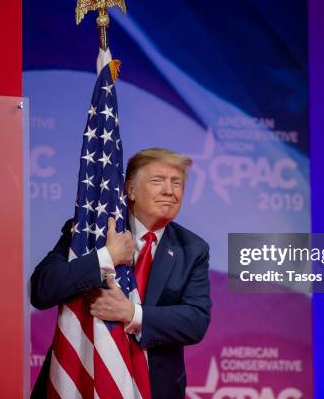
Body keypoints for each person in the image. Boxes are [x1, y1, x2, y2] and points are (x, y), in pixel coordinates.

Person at [30, 148, 212, 399]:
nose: (170, 191)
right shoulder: (89, 231)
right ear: (131, 190)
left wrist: (131, 313)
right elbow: (41, 290)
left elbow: (196, 320)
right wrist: (105, 257)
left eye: (177, 182)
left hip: (154, 388)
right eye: (158, 180)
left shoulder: (192, 249)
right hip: (81, 378)